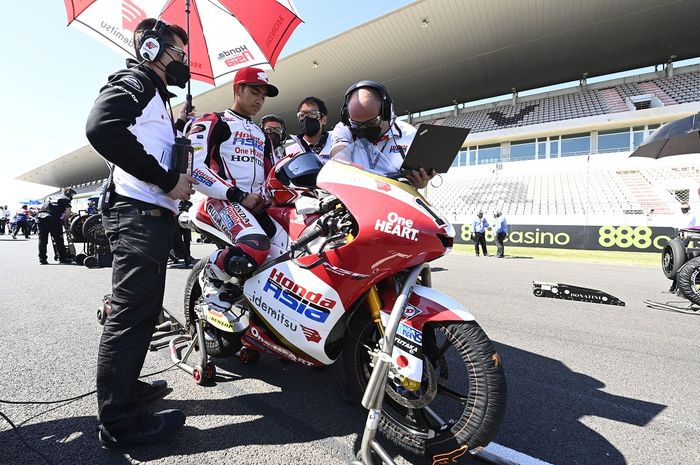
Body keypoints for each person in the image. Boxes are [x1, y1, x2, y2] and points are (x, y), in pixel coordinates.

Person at [85, 18, 196, 448]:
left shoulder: (155, 97)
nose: (183, 63)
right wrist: (165, 181)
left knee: (146, 312)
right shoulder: (136, 81)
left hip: (148, 215)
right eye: (178, 55)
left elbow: (144, 139)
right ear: (151, 50)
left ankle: (127, 391)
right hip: (136, 213)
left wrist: (176, 121)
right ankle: (119, 423)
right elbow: (100, 127)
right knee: (132, 317)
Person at [187, 66, 277, 314]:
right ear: (238, 89)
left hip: (254, 207)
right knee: (256, 246)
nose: (259, 100)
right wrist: (238, 195)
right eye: (254, 92)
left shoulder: (262, 134)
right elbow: (193, 167)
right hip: (221, 200)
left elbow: (272, 175)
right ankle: (211, 276)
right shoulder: (213, 121)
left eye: (263, 95)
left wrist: (269, 199)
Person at [330, 80, 435, 189]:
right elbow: (339, 155)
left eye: (371, 122)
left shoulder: (409, 135)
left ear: (386, 112)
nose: (363, 128)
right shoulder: (344, 127)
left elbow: (417, 180)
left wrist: (420, 183)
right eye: (356, 124)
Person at [285, 96, 333, 163]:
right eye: (302, 115)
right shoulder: (289, 152)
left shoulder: (336, 146)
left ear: (324, 120)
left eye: (313, 114)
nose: (306, 118)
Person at [37, 189, 75, 264]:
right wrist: (62, 219)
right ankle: (62, 258)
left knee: (42, 240)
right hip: (52, 219)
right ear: (69, 195)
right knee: (59, 239)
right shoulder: (65, 199)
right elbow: (68, 213)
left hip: (40, 217)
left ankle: (42, 259)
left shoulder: (52, 198)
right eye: (72, 195)